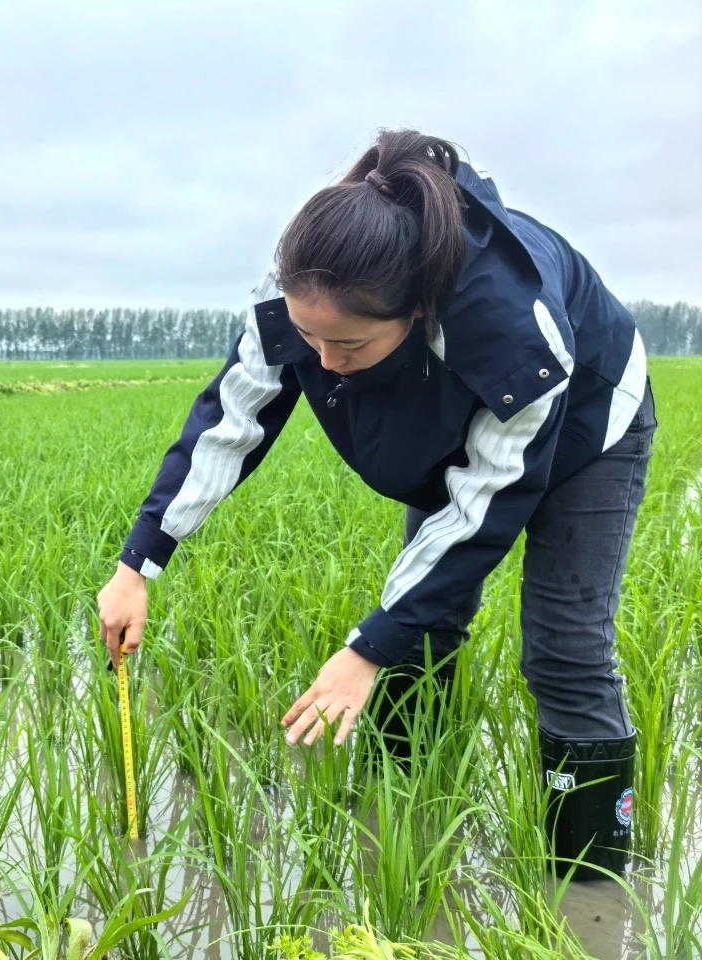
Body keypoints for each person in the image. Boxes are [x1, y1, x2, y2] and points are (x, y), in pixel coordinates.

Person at [97, 129, 653, 883]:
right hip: (453, 422)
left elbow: (482, 511)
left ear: (418, 314)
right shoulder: (304, 279)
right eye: (307, 338)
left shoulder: (513, 333)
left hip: (589, 424)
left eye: (349, 348)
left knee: (562, 648)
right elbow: (233, 419)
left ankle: (590, 884)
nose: (323, 365)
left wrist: (361, 652)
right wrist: (140, 563)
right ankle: (403, 831)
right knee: (415, 629)